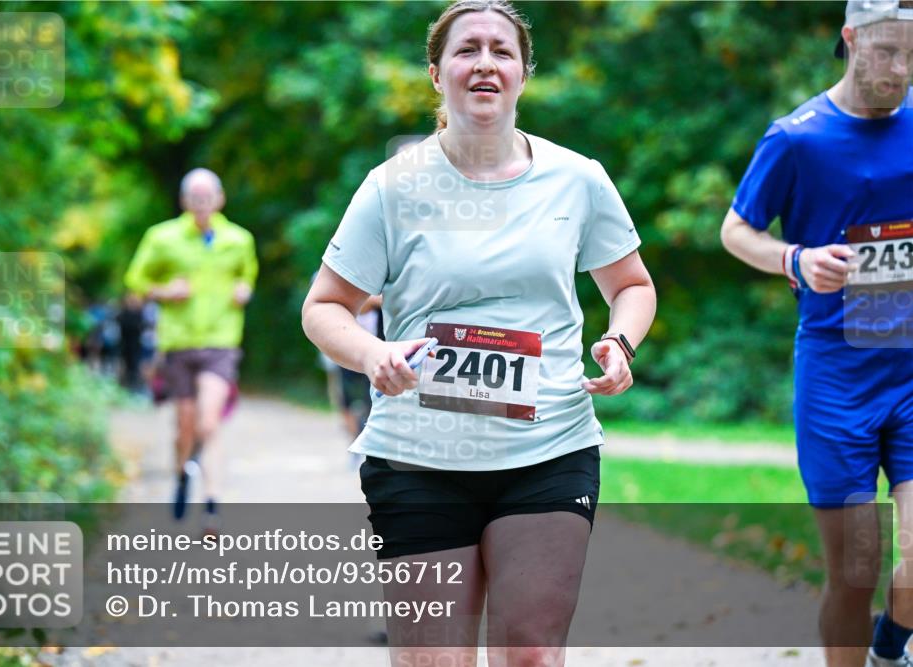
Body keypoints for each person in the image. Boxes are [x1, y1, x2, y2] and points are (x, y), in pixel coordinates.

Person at [302, 1, 656, 664]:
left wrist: (620, 340)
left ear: (524, 72)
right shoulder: (392, 187)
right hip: (418, 457)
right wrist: (373, 352)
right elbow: (324, 306)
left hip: (549, 445)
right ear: (437, 73)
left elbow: (631, 285)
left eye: (502, 50)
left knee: (531, 652)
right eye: (467, 50)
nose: (485, 62)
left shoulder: (577, 180)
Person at [720, 3, 913, 665]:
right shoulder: (797, 137)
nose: (902, 71)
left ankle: (894, 641)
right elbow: (735, 230)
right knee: (856, 570)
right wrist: (795, 259)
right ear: (850, 38)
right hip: (839, 375)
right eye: (889, 52)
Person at [125, 168, 259, 531]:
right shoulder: (162, 237)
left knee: (209, 422)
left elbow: (248, 274)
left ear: (219, 199)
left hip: (221, 340)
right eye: (195, 198)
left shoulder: (238, 239)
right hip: (178, 342)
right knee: (185, 427)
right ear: (185, 201)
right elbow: (135, 280)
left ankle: (212, 505)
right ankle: (183, 474)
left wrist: (244, 289)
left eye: (208, 197)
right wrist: (164, 291)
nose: (202, 204)